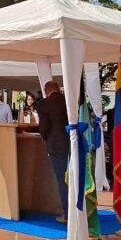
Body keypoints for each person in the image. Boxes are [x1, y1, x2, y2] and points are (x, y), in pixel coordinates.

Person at [37, 80, 69, 222]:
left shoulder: (44, 103)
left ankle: (67, 213)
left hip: (55, 145)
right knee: (73, 178)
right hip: (71, 142)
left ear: (45, 90)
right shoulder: (68, 100)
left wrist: (44, 138)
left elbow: (44, 126)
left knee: (62, 179)